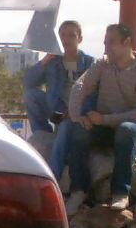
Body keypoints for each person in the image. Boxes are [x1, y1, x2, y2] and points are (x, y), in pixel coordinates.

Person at [65, 23, 136, 215]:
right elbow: (80, 86)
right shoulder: (102, 64)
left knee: (126, 129)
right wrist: (77, 116)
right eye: (105, 43)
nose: (106, 48)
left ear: (127, 42)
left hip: (131, 129)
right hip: (103, 127)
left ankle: (120, 192)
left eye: (111, 42)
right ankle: (78, 190)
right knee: (79, 130)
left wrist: (105, 119)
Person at [23, 20, 96, 178]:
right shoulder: (53, 62)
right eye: (62, 35)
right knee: (30, 94)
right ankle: (43, 134)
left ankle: (54, 175)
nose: (66, 39)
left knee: (64, 130)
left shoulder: (90, 63)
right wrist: (45, 61)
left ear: (80, 39)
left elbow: (94, 94)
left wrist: (77, 113)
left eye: (71, 35)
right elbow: (28, 83)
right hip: (56, 110)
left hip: (75, 114)